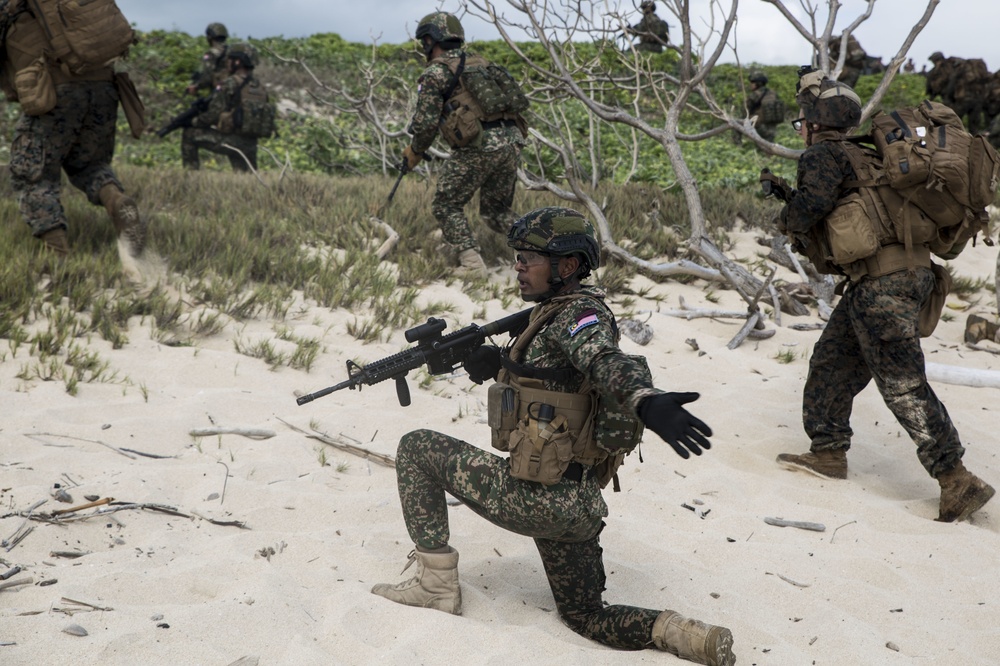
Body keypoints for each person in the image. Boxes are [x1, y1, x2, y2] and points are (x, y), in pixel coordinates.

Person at [371, 206, 735, 666]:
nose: (519, 266)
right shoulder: (556, 312)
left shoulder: (577, 316)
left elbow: (602, 359)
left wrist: (646, 399)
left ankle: (435, 586)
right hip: (578, 505)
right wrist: (497, 364)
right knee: (586, 615)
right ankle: (683, 634)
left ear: (567, 266)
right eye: (518, 257)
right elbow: (557, 379)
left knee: (416, 447)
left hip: (536, 499)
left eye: (531, 258)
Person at [774, 68, 995, 523]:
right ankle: (828, 452)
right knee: (832, 362)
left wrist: (787, 212)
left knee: (902, 383)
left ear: (815, 122)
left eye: (803, 122)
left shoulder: (824, 157)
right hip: (901, 279)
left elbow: (811, 208)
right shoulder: (869, 157)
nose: (803, 129)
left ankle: (955, 478)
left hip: (883, 285)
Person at [1, 0, 146, 259]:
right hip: (104, 85)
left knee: (32, 173)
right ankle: (116, 200)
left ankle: (59, 257)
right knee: (89, 164)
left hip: (55, 90)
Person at [404, 11, 528, 279]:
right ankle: (546, 248)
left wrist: (415, 152)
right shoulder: (482, 63)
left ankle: (472, 265)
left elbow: (425, 125)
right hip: (511, 141)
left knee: (446, 205)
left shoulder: (435, 73)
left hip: (479, 146)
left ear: (430, 40)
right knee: (496, 212)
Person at [181, 42, 269, 172]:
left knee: (189, 135)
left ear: (237, 62)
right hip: (251, 144)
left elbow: (213, 115)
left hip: (232, 142)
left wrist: (193, 121)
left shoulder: (229, 84)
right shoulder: (259, 86)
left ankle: (190, 176)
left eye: (230, 59)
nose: (227, 63)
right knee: (246, 176)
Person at [186, 23, 230, 96]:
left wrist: (196, 86)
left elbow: (207, 77)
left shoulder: (212, 53)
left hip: (219, 92)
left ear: (209, 37)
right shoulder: (231, 51)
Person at [746, 71, 783, 142]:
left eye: (752, 82)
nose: (750, 84)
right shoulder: (773, 93)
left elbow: (746, 111)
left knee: (737, 126)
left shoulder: (755, 95)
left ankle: (738, 146)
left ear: (757, 84)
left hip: (759, 127)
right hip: (773, 127)